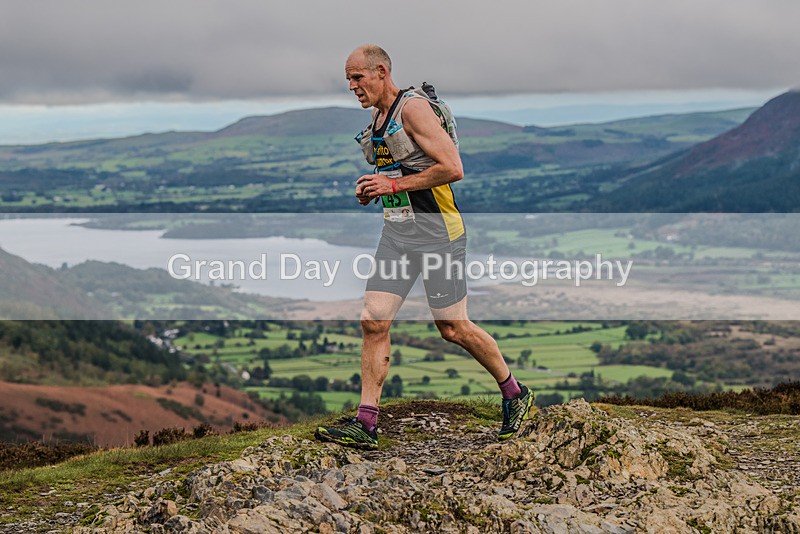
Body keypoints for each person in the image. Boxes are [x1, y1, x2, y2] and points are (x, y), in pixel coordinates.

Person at [314, 45, 533, 450]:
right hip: (398, 234)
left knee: (453, 327)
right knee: (373, 321)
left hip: (438, 234)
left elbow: (453, 167)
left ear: (381, 72)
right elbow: (397, 172)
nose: (351, 86)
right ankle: (366, 424)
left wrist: (392, 185)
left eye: (357, 77)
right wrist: (375, 190)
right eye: (348, 79)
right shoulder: (379, 118)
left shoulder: (412, 109)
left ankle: (515, 394)